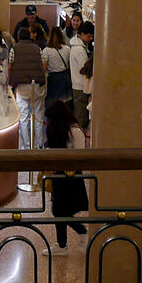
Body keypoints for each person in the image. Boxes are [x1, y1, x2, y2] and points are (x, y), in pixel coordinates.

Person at [43, 100, 89, 248]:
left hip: (70, 177)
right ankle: (62, 243)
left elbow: (80, 156)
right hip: (60, 176)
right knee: (58, 210)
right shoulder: (62, 130)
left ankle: (73, 237)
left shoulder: (73, 131)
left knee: (60, 211)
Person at [8, 20, 46, 150]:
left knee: (23, 117)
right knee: (38, 117)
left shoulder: (14, 49)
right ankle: (38, 145)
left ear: (18, 38)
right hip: (37, 86)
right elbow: (41, 65)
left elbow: (10, 67)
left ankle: (26, 146)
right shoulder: (38, 48)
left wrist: (10, 83)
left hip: (22, 86)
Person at [68, 21, 94, 132]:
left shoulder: (79, 47)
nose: (91, 38)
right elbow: (85, 69)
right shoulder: (79, 50)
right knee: (81, 117)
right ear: (82, 34)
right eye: (89, 36)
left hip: (78, 85)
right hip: (80, 87)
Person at [42, 26, 73, 108]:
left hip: (53, 79)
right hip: (65, 77)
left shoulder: (46, 50)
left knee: (53, 105)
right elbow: (70, 66)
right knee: (65, 104)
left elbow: (44, 68)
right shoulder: (67, 49)